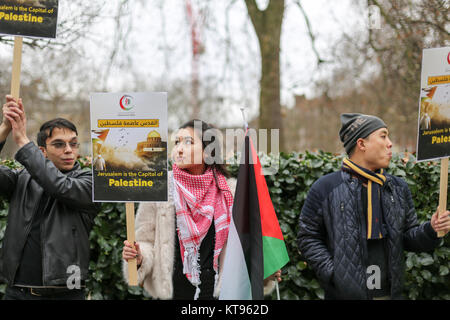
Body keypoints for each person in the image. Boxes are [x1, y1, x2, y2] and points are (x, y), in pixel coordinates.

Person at [297, 113, 450, 300]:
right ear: (361, 144)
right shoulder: (325, 188)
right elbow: (307, 237)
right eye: (383, 136)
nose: (390, 143)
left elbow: (408, 237)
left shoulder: (397, 188)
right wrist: (334, 273)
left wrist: (431, 229)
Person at [122, 119, 281, 300]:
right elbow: (146, 242)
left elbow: (246, 246)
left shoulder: (231, 192)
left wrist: (266, 268)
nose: (179, 149)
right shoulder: (159, 189)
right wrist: (139, 255)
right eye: (176, 142)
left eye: (188, 142)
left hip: (218, 295)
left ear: (207, 153)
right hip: (175, 294)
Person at [0, 95, 100, 300]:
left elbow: (59, 186)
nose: (69, 150)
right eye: (59, 144)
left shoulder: (89, 181)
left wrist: (21, 139)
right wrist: (5, 129)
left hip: (67, 293)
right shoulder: (22, 178)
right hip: (18, 293)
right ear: (42, 152)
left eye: (73, 144)